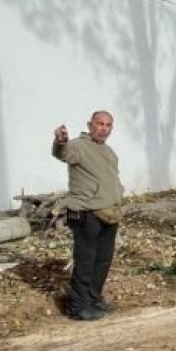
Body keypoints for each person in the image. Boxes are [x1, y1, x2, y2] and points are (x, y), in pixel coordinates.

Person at [52, 111, 124, 322]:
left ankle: (94, 299)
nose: (103, 128)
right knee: (85, 261)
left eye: (108, 125)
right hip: (86, 213)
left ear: (112, 128)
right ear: (90, 125)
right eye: (99, 124)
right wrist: (60, 141)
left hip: (108, 213)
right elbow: (62, 153)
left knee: (103, 260)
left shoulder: (109, 152)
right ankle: (78, 306)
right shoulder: (78, 146)